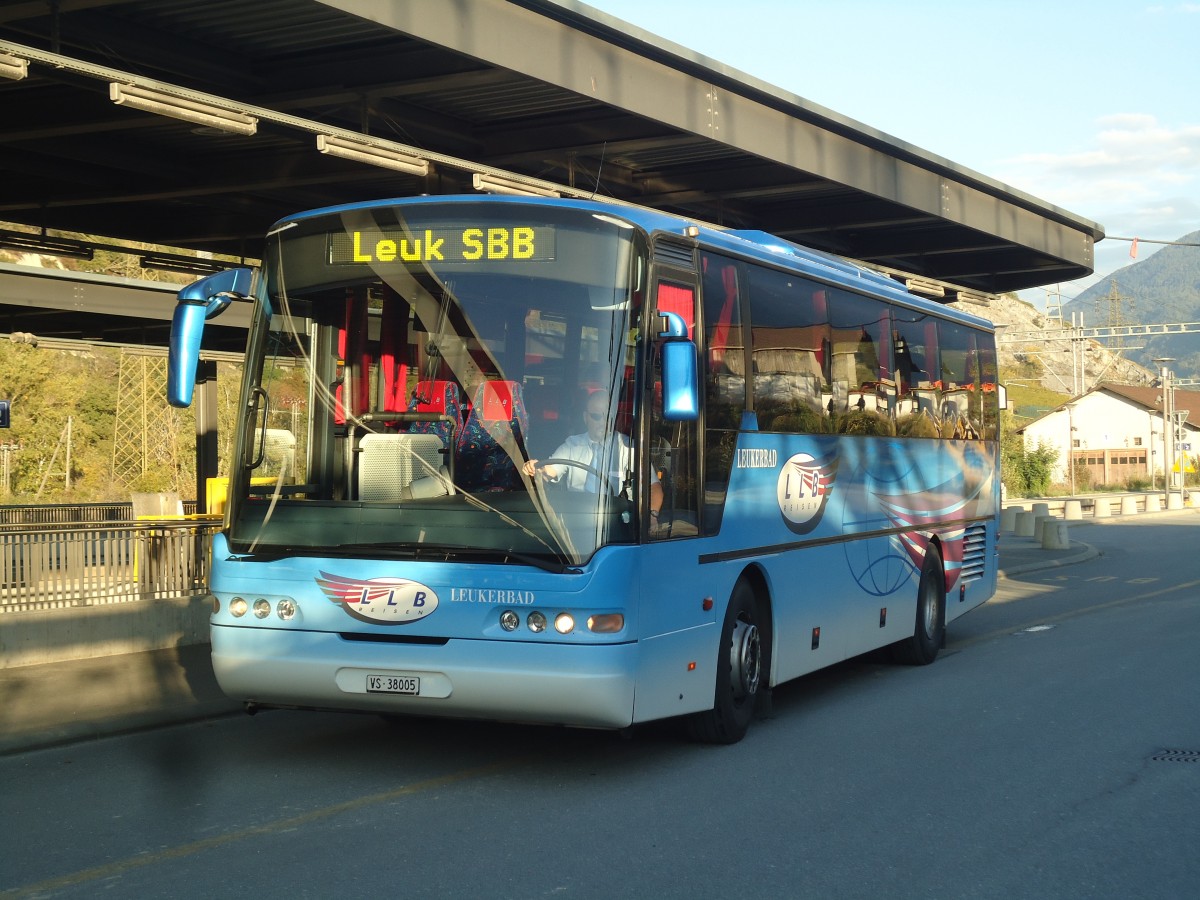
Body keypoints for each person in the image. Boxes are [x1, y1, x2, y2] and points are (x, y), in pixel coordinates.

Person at [523, 390, 663, 522]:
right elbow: (550, 470)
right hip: (575, 520)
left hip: (616, 521)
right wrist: (535, 468)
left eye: (607, 417)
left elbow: (653, 487)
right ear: (585, 417)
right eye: (596, 417)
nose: (603, 422)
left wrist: (652, 516)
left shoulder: (628, 448)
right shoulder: (573, 445)